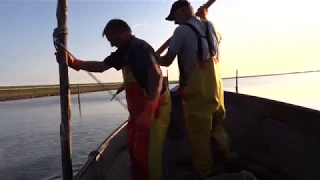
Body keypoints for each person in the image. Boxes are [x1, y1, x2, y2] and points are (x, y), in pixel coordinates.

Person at [54, 19, 171, 180]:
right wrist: (74, 63)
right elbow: (102, 66)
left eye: (111, 40)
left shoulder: (139, 48)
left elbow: (157, 76)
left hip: (155, 108)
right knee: (135, 150)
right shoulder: (123, 52)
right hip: (138, 112)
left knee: (149, 155)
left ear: (121, 33)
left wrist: (150, 110)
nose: (110, 44)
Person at [156, 0, 229, 179]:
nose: (174, 22)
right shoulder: (210, 26)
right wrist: (204, 19)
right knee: (218, 126)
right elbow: (219, 37)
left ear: (182, 11)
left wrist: (151, 57)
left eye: (174, 17)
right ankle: (228, 159)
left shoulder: (181, 31)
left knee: (199, 136)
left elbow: (166, 61)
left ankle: (206, 174)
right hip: (216, 87)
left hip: (198, 92)